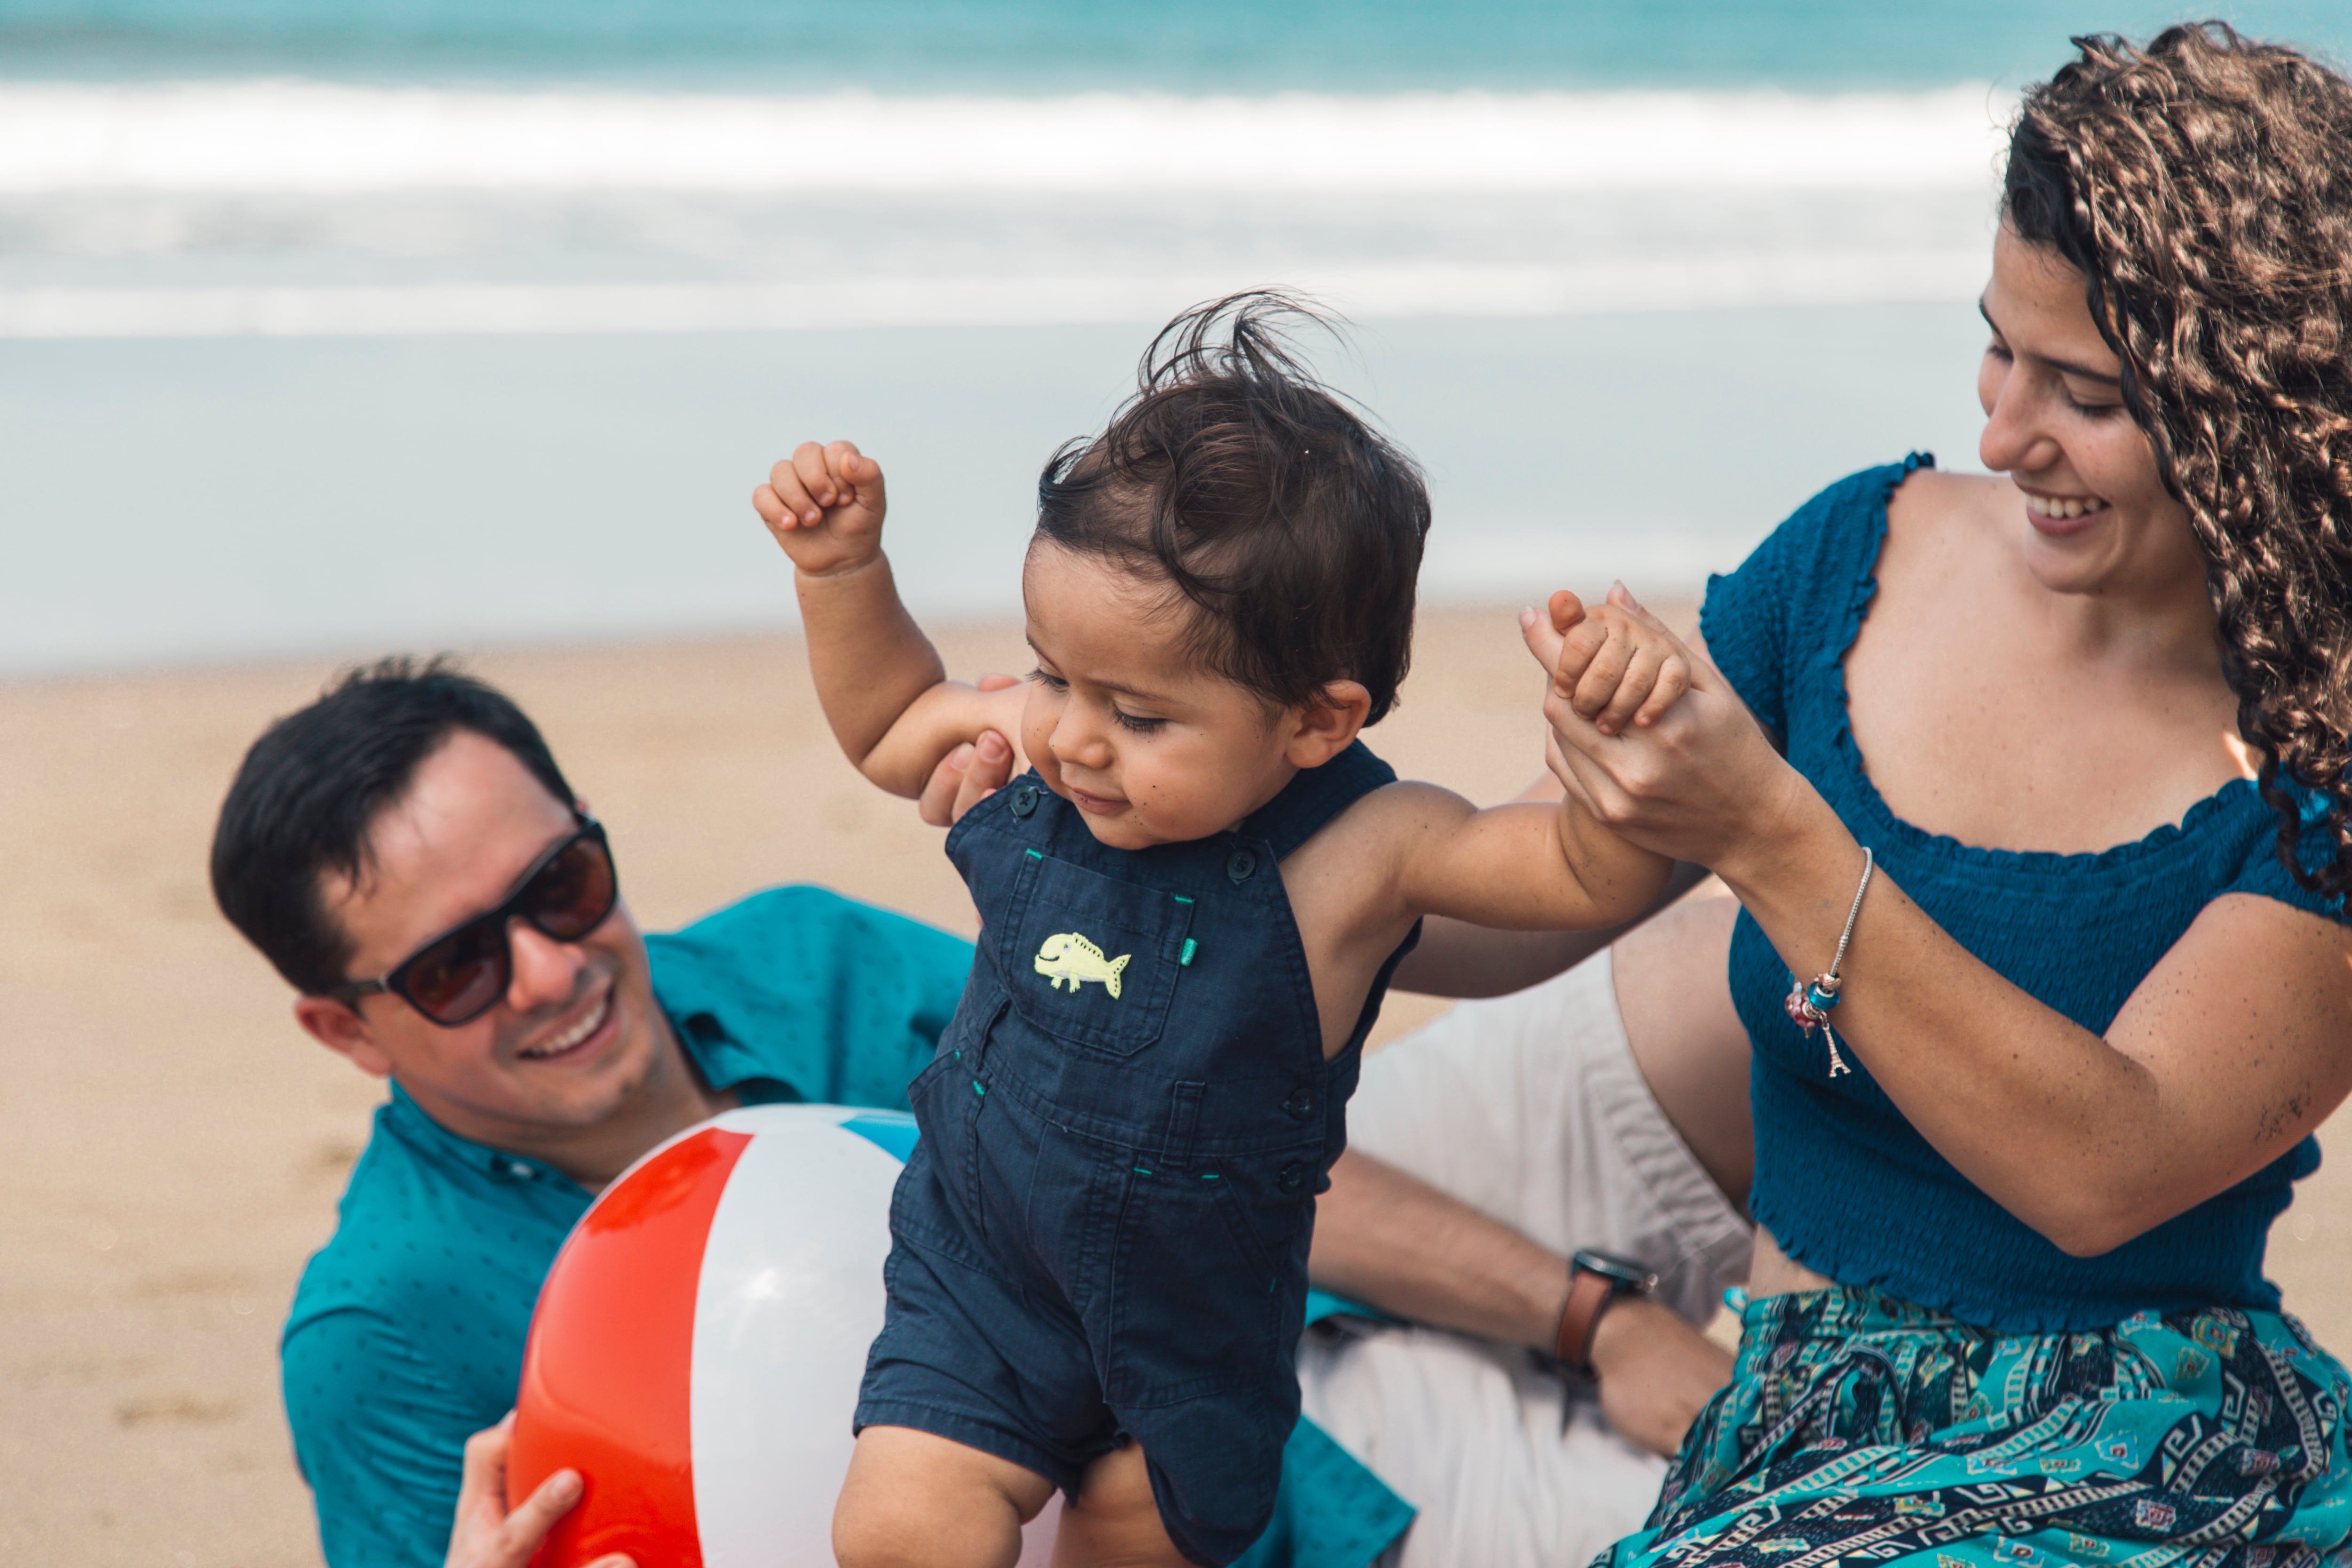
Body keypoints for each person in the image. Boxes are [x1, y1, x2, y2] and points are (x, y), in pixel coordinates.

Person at [1518, 24, 2352, 1568]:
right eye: (1997, 346)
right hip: (1794, 1421)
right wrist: (1246, 803)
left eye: (2085, 391)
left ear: (2251, 409)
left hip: (2142, 1442)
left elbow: (2102, 1169)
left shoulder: (2327, 752)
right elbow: (1528, 884)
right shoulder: (1853, 553)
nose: (2001, 429)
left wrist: (1768, 830)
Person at [752, 296, 1694, 1568]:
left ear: (1315, 720)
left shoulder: (1370, 847)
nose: (1075, 734)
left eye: (1139, 714)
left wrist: (1625, 732)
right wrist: (842, 573)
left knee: (1138, 1537)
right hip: (989, 1269)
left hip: (1194, 1327)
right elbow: (890, 721)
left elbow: (1582, 872)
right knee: (899, 1526)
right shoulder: (1051, 737)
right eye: (1054, 671)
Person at [210, 660, 976, 1568]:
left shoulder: (831, 970)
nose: (551, 973)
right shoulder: (382, 1332)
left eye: (559, 883)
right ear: (348, 1030)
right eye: (456, 967)